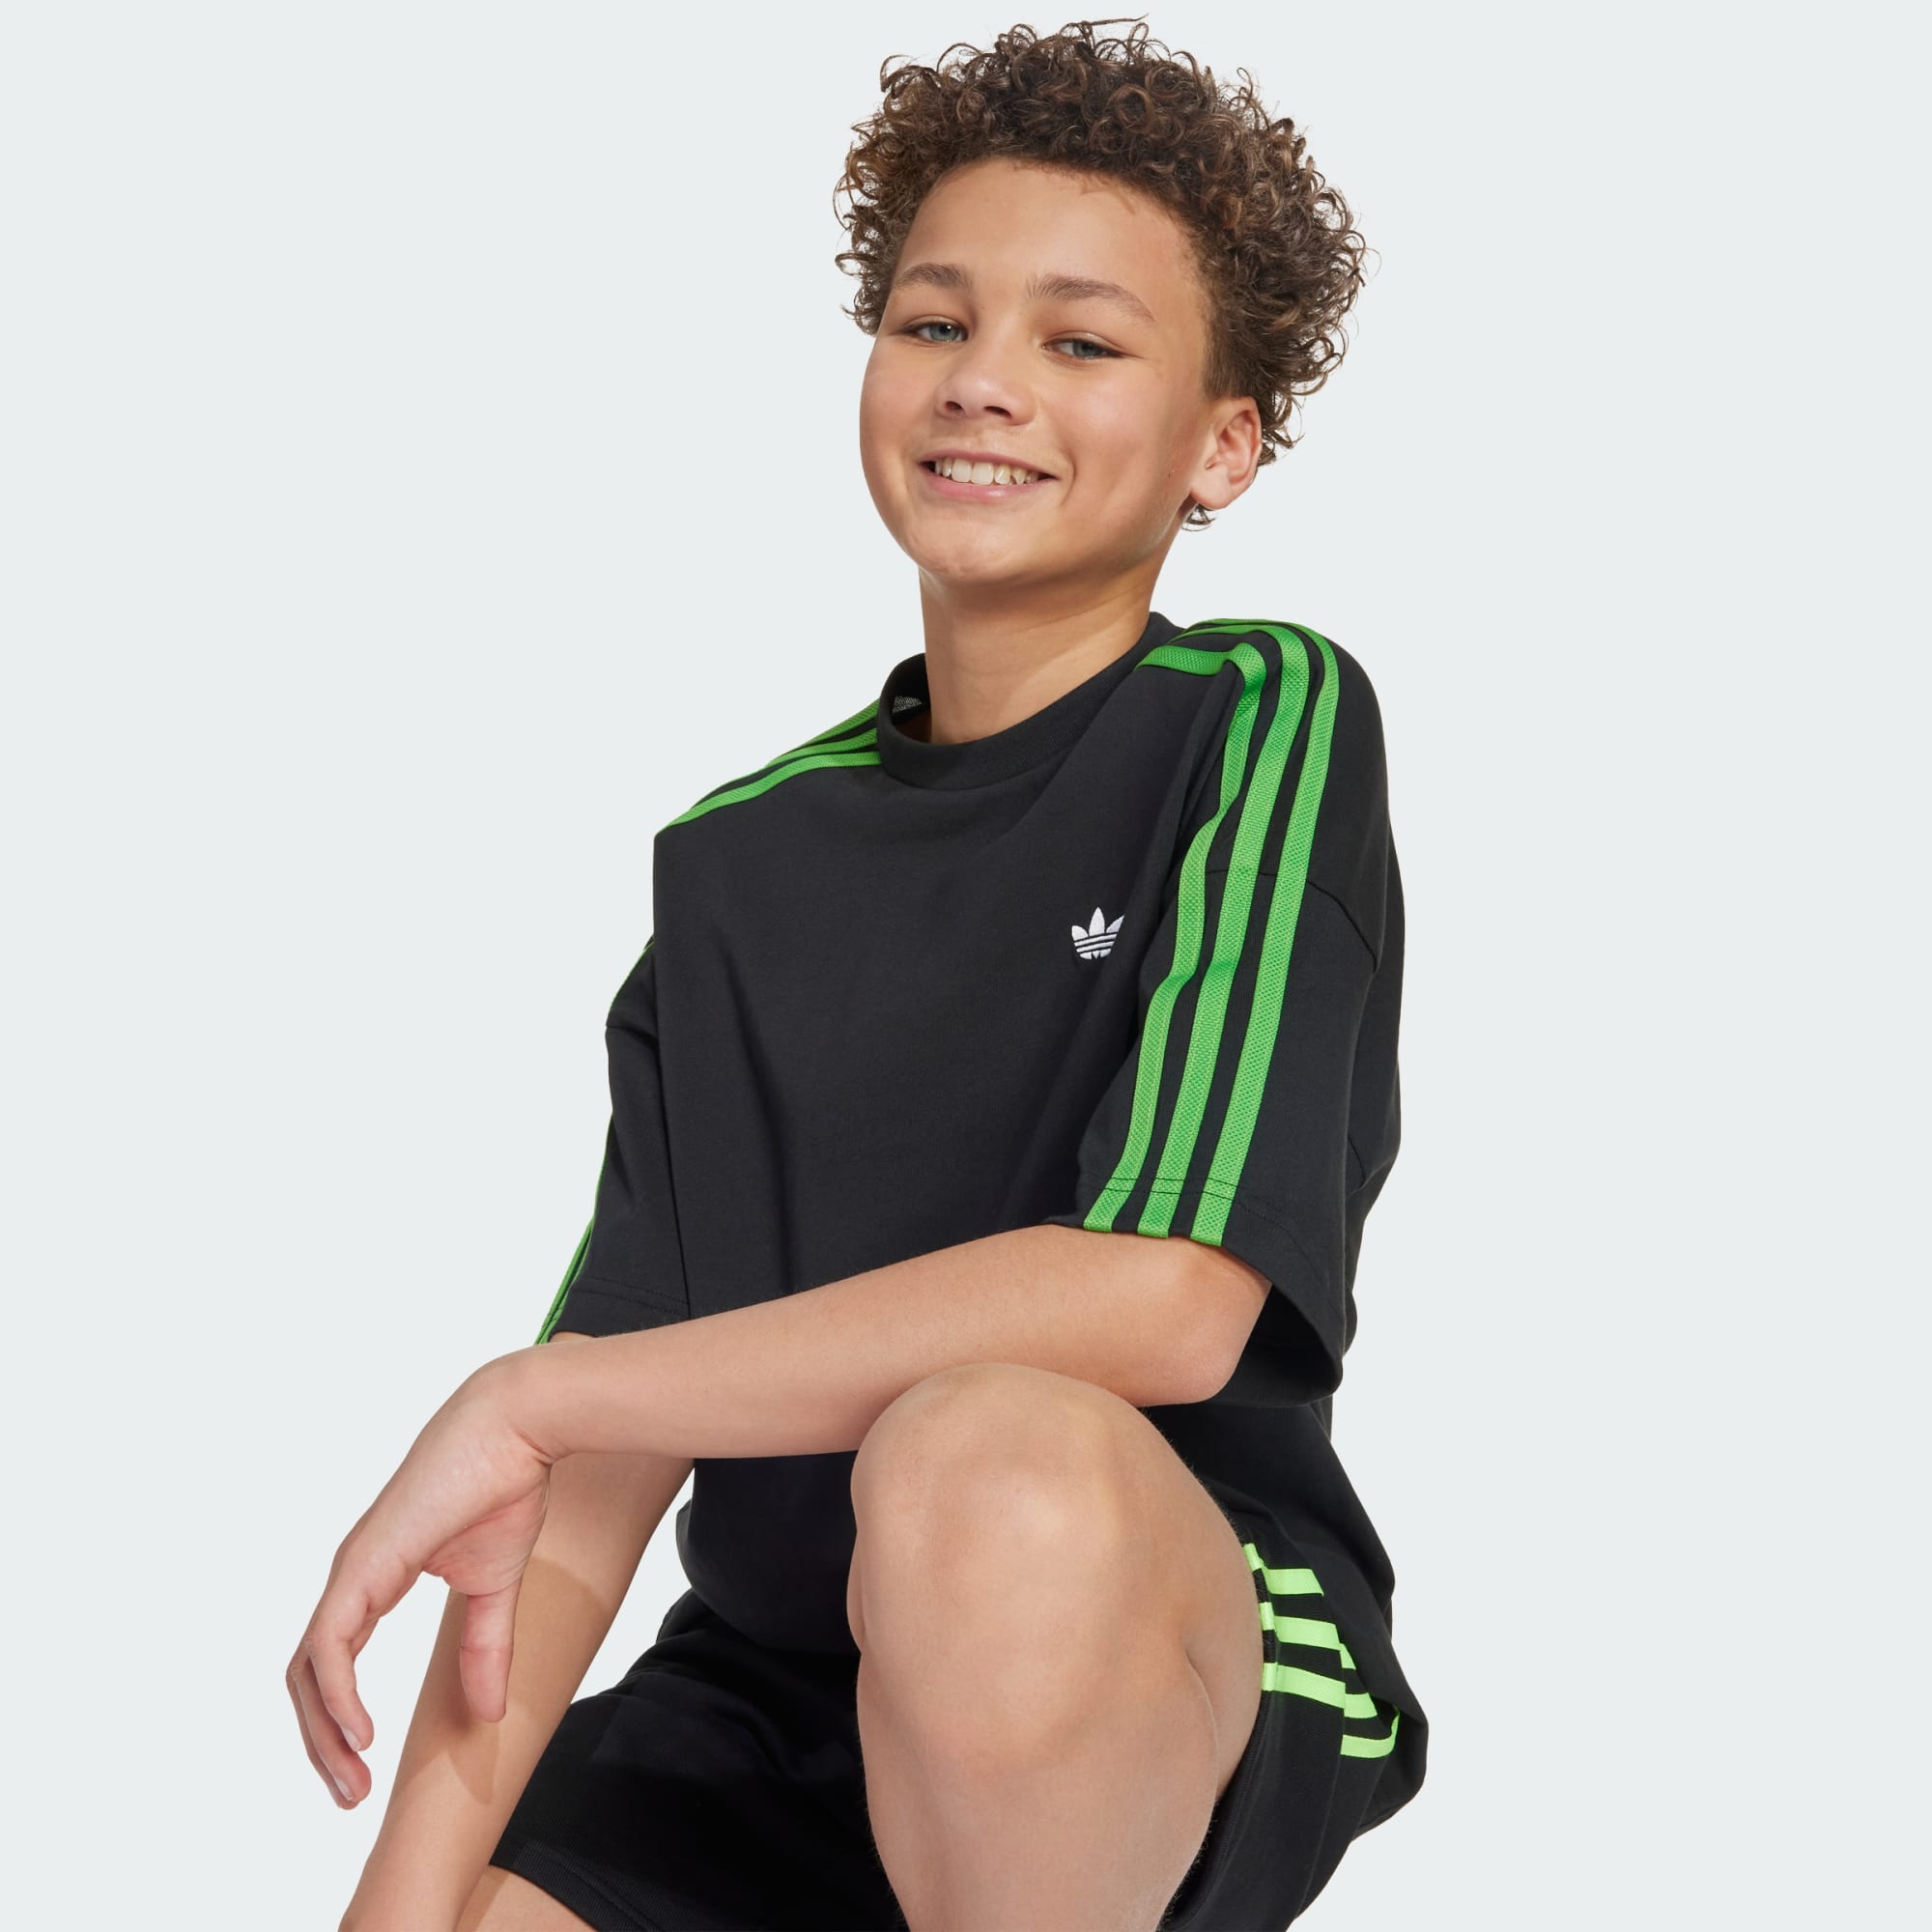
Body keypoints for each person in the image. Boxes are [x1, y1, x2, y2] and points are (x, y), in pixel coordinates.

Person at [295, 20, 1430, 1931]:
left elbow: (1170, 1297)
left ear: (1221, 445)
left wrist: (539, 1395)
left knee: (973, 1456)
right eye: (934, 322)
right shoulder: (736, 858)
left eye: (1082, 343)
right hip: (772, 1689)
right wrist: (391, 1905)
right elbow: (599, 1444)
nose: (986, 378)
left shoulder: (1255, 717)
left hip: (1138, 1629)